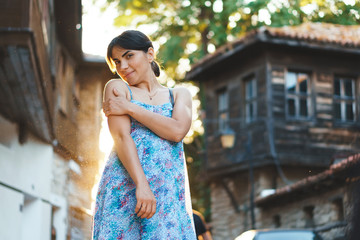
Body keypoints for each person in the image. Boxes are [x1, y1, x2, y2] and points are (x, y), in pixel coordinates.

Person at [92, 30, 196, 239]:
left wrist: (130, 109)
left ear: (149, 54)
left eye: (128, 56)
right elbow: (121, 137)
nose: (123, 67)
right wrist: (142, 185)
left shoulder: (178, 95)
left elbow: (176, 131)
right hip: (125, 188)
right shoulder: (117, 88)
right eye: (117, 61)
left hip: (167, 194)